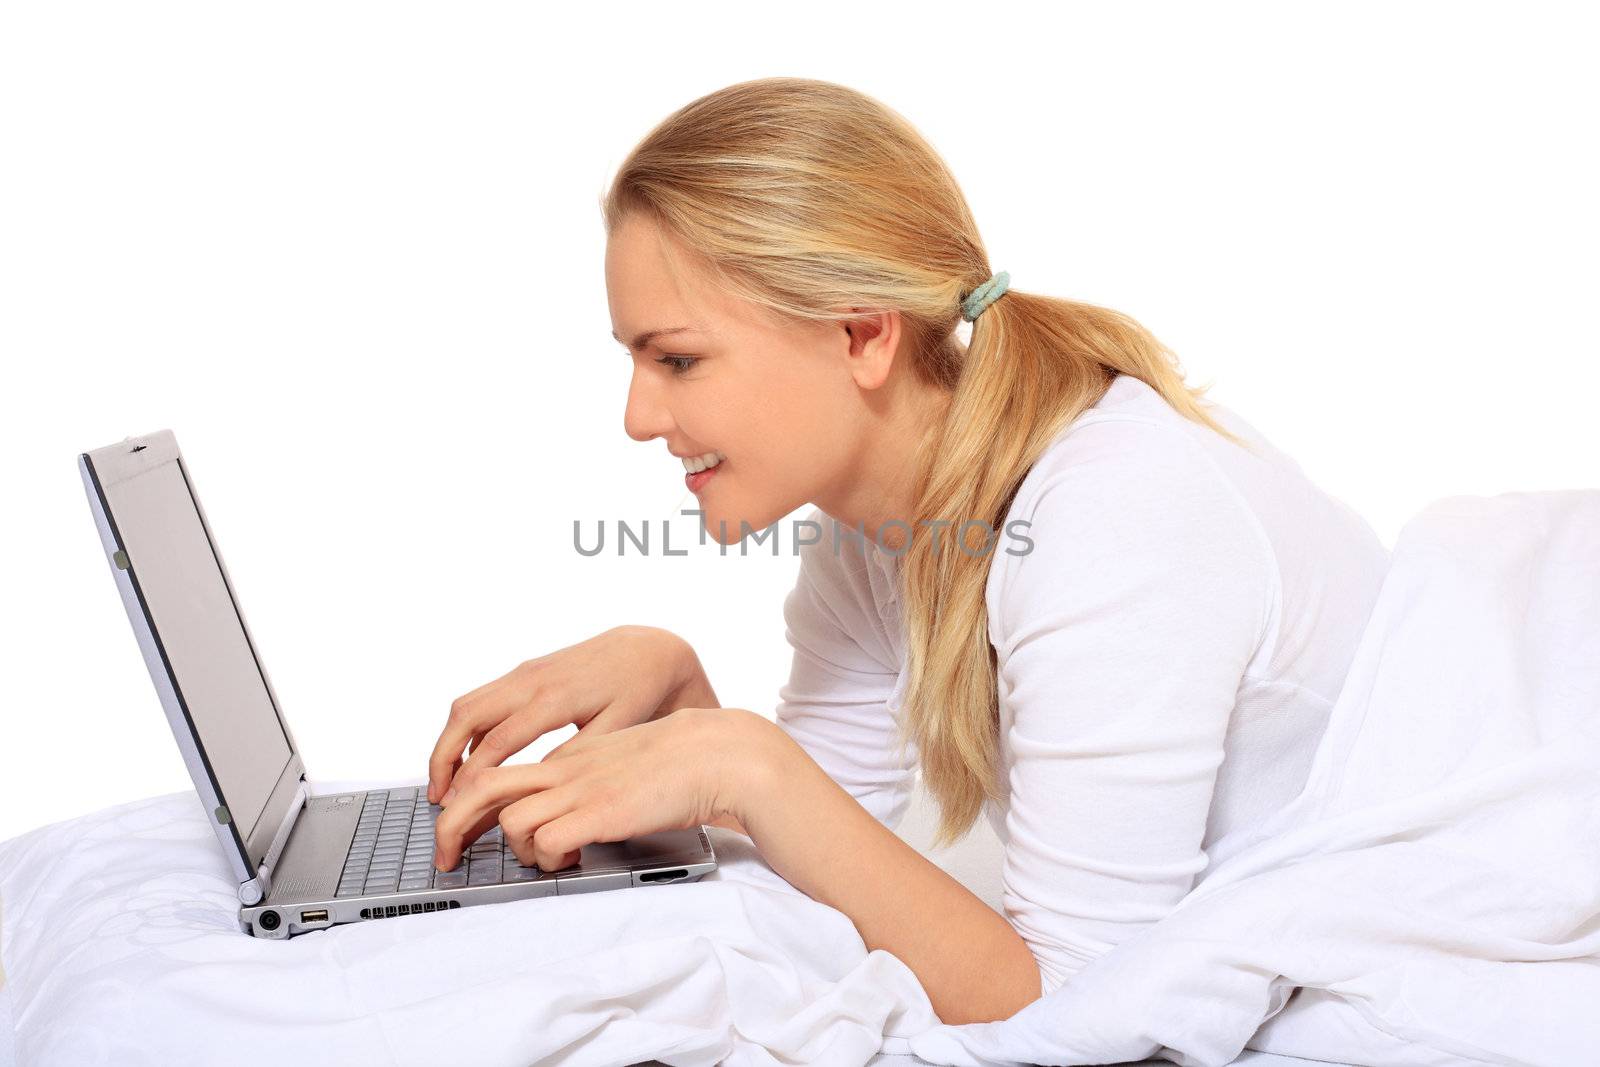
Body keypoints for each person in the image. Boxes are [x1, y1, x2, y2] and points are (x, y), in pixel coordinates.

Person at [422, 76, 1390, 1026]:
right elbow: (821, 843)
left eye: (676, 357)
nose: (637, 416)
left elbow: (1087, 1009)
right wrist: (685, 695)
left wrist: (744, 760)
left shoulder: (1109, 522)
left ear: (862, 335)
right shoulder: (871, 530)